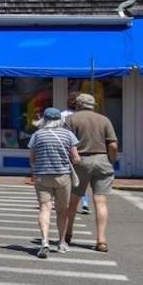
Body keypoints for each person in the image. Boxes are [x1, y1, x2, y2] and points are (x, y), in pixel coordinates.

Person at [65, 92, 117, 252]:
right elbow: (113, 145)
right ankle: (101, 240)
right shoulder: (104, 120)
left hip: (79, 161)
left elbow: (65, 143)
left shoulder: (70, 120)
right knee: (100, 202)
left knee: (72, 202)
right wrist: (111, 160)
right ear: (93, 106)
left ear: (77, 105)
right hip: (102, 160)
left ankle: (67, 234)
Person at [28, 106, 80, 258]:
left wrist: (36, 170)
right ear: (60, 120)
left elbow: (32, 158)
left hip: (42, 176)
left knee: (45, 209)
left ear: (44, 120)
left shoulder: (37, 135)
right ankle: (62, 243)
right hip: (62, 176)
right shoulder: (68, 135)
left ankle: (44, 241)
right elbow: (76, 158)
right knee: (62, 210)